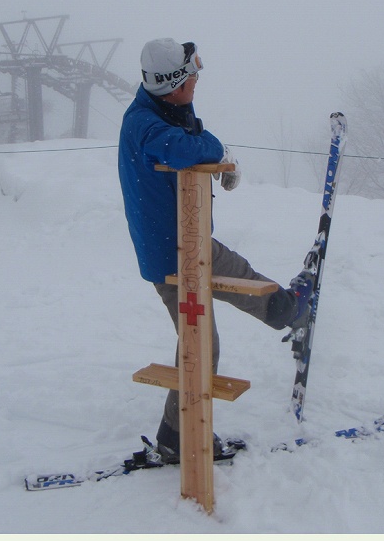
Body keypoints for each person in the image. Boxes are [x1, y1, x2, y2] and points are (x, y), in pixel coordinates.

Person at [118, 38, 301, 461]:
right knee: (204, 341)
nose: (198, 78)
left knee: (217, 311)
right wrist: (220, 153)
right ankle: (291, 312)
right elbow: (184, 147)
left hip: (184, 239)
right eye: (192, 73)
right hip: (175, 251)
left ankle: (174, 436)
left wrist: (218, 155)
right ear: (173, 83)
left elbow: (189, 137)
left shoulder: (165, 107)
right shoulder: (144, 123)